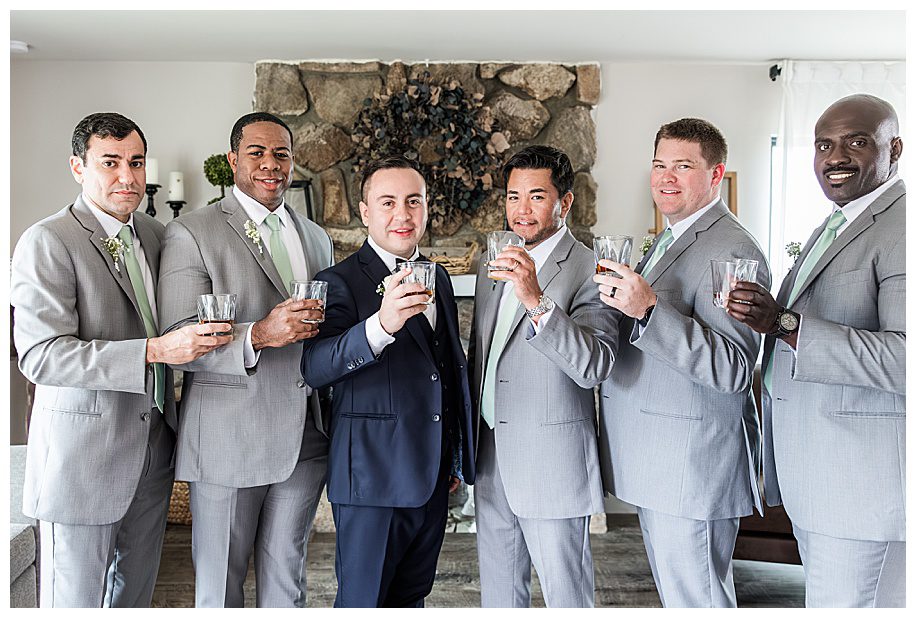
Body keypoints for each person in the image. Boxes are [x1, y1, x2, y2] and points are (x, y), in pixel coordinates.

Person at [10, 112, 231, 607]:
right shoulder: (46, 241)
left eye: (135, 162)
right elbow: (41, 357)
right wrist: (155, 352)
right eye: (110, 163)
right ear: (77, 167)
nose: (127, 177)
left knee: (134, 600)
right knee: (75, 603)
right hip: (81, 460)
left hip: (153, 449)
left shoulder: (157, 235)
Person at [726, 94, 905, 608]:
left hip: (861, 489)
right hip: (822, 481)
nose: (836, 157)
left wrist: (781, 323)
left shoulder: (901, 227)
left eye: (856, 142)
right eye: (824, 145)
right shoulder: (837, 221)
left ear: (895, 148)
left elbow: (904, 359)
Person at [157, 112, 334, 608]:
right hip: (227, 441)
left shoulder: (316, 237)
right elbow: (176, 339)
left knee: (287, 584)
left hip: (306, 440)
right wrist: (258, 333)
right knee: (220, 591)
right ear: (233, 160)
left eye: (281, 153)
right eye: (256, 152)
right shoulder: (191, 232)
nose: (270, 164)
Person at [594, 118, 770, 607]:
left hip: (692, 467)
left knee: (699, 602)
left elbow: (734, 367)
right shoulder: (668, 238)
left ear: (716, 175)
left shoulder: (732, 248)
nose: (666, 178)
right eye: (659, 165)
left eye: (683, 166)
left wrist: (649, 309)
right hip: (662, 462)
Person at [300, 155, 475, 607]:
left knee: (411, 599)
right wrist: (381, 325)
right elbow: (315, 367)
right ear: (364, 212)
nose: (403, 214)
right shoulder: (337, 281)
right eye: (388, 202)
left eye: (414, 201)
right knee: (364, 602)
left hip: (432, 475)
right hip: (371, 481)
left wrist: (451, 455)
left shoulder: (438, 276)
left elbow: (442, 369)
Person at [471, 145, 617, 608]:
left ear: (565, 203)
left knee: (566, 595)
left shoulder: (591, 268)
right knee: (499, 594)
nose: (522, 210)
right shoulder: (491, 262)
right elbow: (483, 357)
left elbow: (595, 365)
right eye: (513, 197)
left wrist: (536, 300)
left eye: (536, 196)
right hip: (490, 452)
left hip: (551, 461)